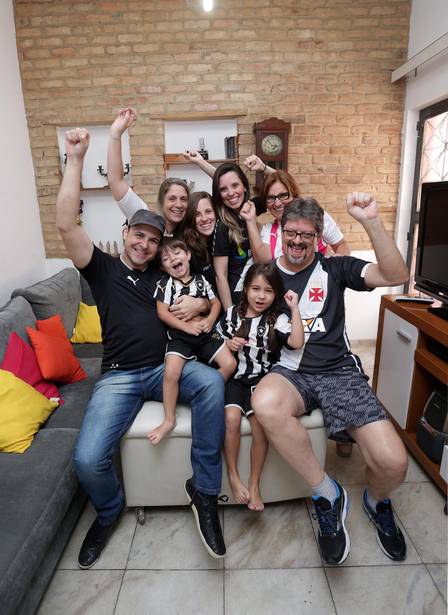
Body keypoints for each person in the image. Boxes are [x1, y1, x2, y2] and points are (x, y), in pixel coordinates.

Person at [56, 127, 227, 566]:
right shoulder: (101, 268)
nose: (146, 244)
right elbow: (65, 224)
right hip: (119, 376)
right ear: (125, 231)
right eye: (139, 235)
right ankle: (109, 510)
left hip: (164, 367)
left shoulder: (164, 272)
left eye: (154, 240)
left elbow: (203, 287)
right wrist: (75, 159)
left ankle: (204, 491)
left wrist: (204, 304)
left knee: (212, 384)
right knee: (88, 460)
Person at [251, 193, 409, 566]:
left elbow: (396, 275)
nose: (297, 241)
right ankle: (327, 493)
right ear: (281, 230)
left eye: (306, 235)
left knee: (394, 463)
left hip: (338, 370)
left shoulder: (334, 268)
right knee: (265, 403)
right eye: (291, 232)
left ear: (318, 237)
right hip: (291, 371)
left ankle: (377, 501)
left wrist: (370, 221)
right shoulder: (265, 273)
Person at [217, 263, 304, 511]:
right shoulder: (232, 314)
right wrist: (227, 343)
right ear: (245, 288)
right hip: (235, 379)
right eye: (255, 288)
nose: (261, 296)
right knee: (231, 419)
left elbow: (297, 341)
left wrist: (294, 308)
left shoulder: (277, 319)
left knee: (259, 427)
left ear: (276, 294)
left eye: (268, 290)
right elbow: (213, 337)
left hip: (262, 381)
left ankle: (254, 484)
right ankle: (233, 476)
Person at [149, 237, 236, 444]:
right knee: (171, 372)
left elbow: (216, 303)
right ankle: (169, 419)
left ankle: (207, 393)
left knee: (230, 363)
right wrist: (186, 326)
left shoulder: (201, 280)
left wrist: (210, 320)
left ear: (187, 255)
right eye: (166, 258)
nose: (173, 259)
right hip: (180, 335)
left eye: (177, 253)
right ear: (163, 267)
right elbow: (163, 313)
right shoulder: (165, 284)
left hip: (205, 333)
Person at [108, 107, 189, 237]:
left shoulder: (193, 231)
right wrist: (115, 135)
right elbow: (116, 181)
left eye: (184, 199)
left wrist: (201, 163)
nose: (179, 204)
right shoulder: (147, 220)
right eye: (172, 198)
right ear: (162, 201)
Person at [211, 162, 254, 309]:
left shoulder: (252, 208)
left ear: (244, 186)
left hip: (258, 293)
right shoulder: (222, 227)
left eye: (235, 185)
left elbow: (285, 189)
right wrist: (229, 313)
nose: (230, 193)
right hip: (238, 296)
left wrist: (263, 168)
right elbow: (220, 275)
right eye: (223, 189)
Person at [179, 190, 218, 288]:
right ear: (190, 218)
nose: (204, 219)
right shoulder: (187, 252)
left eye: (208, 211)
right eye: (197, 214)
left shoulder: (219, 239)